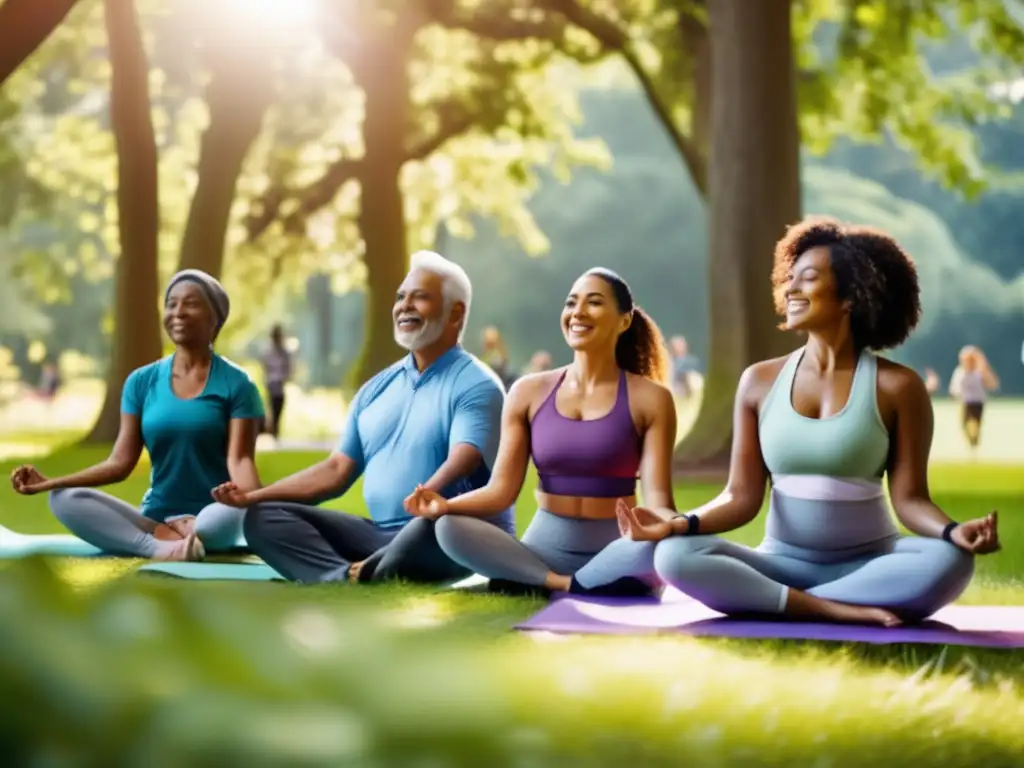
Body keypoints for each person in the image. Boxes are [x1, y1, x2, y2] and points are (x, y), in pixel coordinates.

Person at [607, 217, 999, 626]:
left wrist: (953, 532)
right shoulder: (759, 382)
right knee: (674, 554)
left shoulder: (898, 387)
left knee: (951, 561)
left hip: (872, 563)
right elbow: (741, 496)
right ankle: (828, 609)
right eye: (789, 278)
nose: (789, 289)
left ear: (851, 296)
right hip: (781, 564)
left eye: (807, 278)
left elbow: (910, 499)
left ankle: (781, 603)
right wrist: (681, 522)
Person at [212, 251, 513, 584]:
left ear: (455, 313)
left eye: (420, 297)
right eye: (401, 297)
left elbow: (465, 457)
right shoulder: (375, 390)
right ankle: (348, 574)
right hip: (378, 535)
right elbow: (335, 471)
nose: (404, 305)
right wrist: (252, 497)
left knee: (432, 527)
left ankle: (370, 567)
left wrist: (428, 493)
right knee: (263, 518)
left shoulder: (478, 384)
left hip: (448, 533)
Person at [404, 268, 676, 596]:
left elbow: (659, 499)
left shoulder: (652, 399)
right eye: (571, 303)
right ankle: (560, 583)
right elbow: (501, 491)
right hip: (543, 552)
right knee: (448, 527)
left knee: (663, 554)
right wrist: (445, 506)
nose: (578, 312)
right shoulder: (528, 392)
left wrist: (668, 530)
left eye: (594, 302)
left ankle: (537, 582)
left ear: (624, 321)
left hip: (616, 548)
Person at [9, 270, 264, 561]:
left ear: (214, 318)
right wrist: (51, 482)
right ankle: (160, 547)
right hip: (156, 518)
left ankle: (185, 536)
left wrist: (257, 507)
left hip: (216, 513)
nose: (178, 312)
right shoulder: (141, 382)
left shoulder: (238, 384)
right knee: (65, 499)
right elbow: (120, 462)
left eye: (191, 303)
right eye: (171, 303)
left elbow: (240, 460)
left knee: (214, 521)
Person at [948, 346, 999, 454]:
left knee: (974, 424)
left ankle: (974, 445)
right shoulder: (960, 372)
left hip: (977, 402)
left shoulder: (980, 372)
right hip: (965, 402)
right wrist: (954, 396)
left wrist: (983, 364)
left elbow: (992, 384)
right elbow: (955, 387)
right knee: (965, 425)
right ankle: (972, 444)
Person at [261, 324, 292, 440]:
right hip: (272, 383)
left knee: (278, 407)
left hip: (279, 383)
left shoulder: (284, 353)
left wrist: (285, 377)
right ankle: (273, 431)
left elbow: (288, 368)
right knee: (272, 408)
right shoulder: (269, 352)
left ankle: (275, 431)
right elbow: (265, 366)